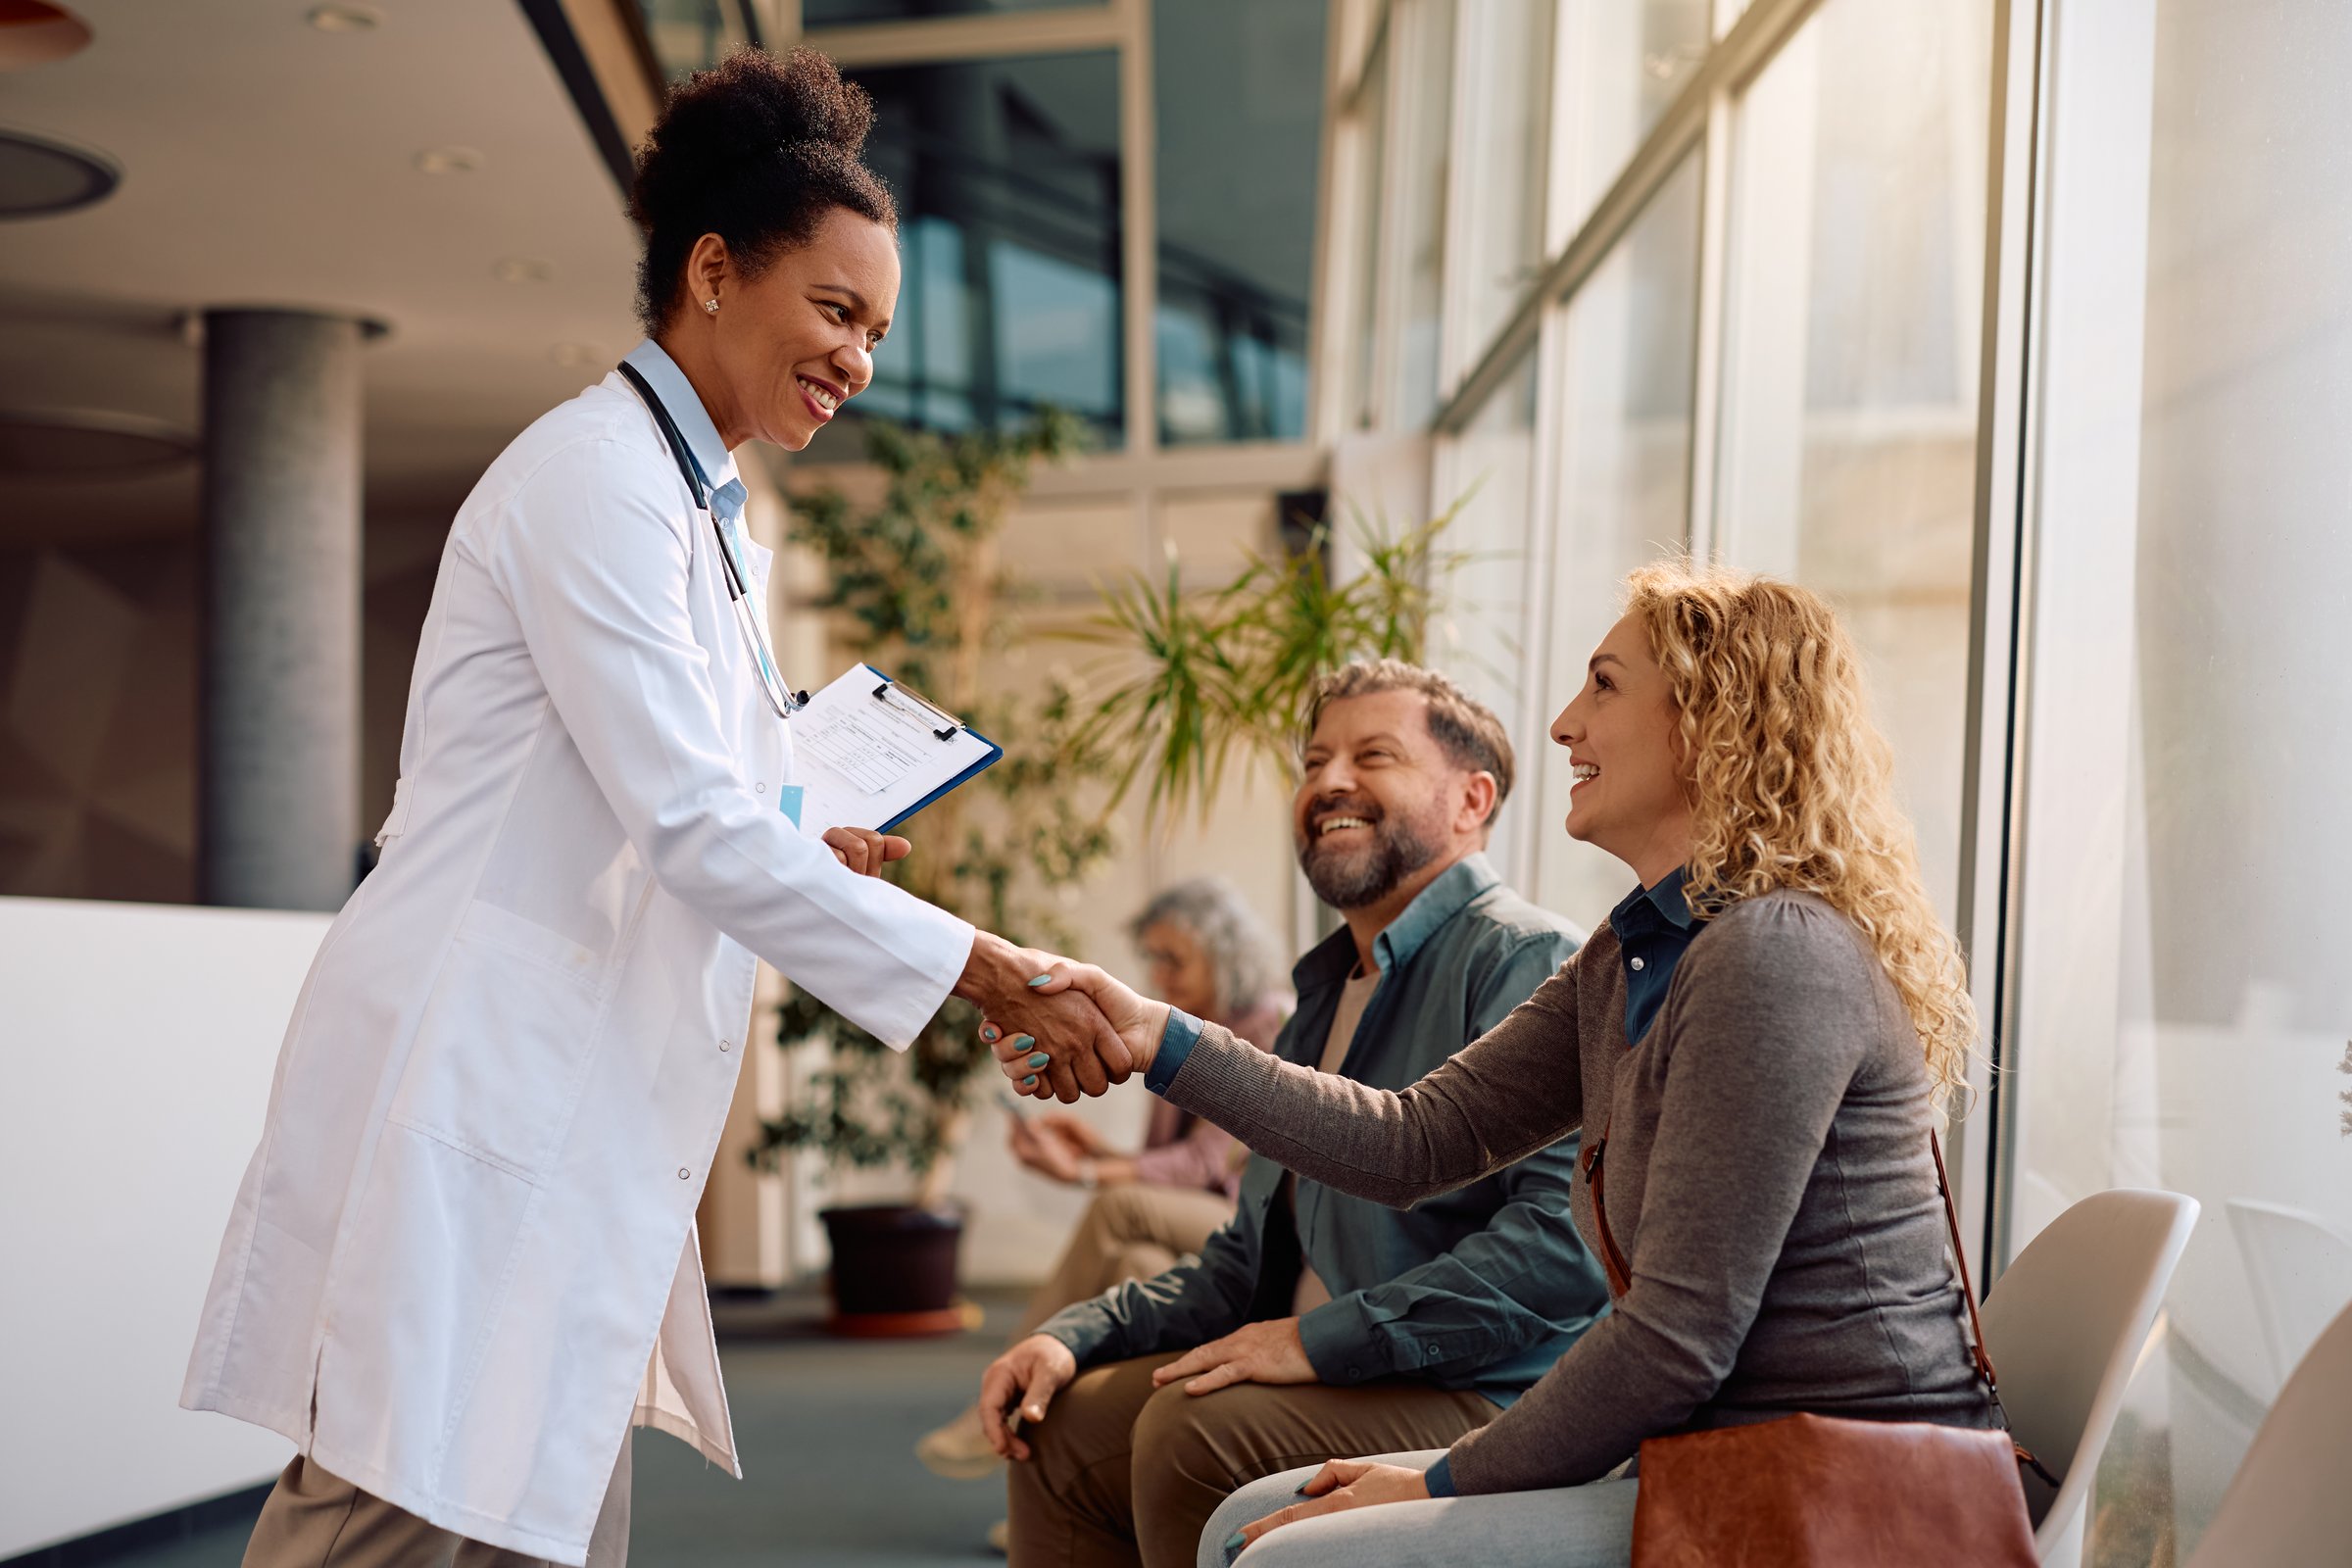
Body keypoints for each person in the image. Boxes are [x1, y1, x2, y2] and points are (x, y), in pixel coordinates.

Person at [182, 48, 1125, 1568]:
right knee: (398, 1504)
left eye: (877, 331)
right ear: (710, 271)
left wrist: (799, 842)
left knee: (528, 1505)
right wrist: (992, 968)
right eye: (836, 312)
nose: (861, 362)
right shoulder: (598, 483)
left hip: (567, 1095)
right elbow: (689, 825)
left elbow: (675, 807)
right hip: (479, 1075)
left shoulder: (695, 509)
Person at [995, 564, 2003, 1568]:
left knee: (1269, 1540)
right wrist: (1155, 1037)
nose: (1565, 725)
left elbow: (1675, 1336)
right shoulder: (1631, 952)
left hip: (1834, 1489)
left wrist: (1439, 1481)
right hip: (1709, 1454)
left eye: (1604, 685)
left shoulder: (1774, 952)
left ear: (1709, 718)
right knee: (1242, 1523)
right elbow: (1409, 1140)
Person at [977, 662, 1611, 1568]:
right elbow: (1248, 1255)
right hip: (1340, 1366)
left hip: (1487, 1391)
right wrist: (1069, 1332)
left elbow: (1562, 1248)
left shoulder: (1529, 960)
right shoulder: (1319, 997)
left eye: (1374, 755)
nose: (1330, 781)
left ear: (1473, 799)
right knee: (1060, 1420)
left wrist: (1317, 1342)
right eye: (1316, 760)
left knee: (1194, 1428)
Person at [919, 879, 1292, 1485]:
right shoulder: (1188, 1021)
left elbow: (1204, 1167)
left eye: (1174, 957)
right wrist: (1100, 1153)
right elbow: (1164, 1161)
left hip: (1253, 1226)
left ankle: (1004, 1384)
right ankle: (1063, 1495)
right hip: (1196, 1221)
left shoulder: (1269, 1022)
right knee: (1133, 1264)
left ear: (1226, 955)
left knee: (1120, 1208)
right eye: (1154, 957)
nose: (1159, 973)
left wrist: (1089, 1172)